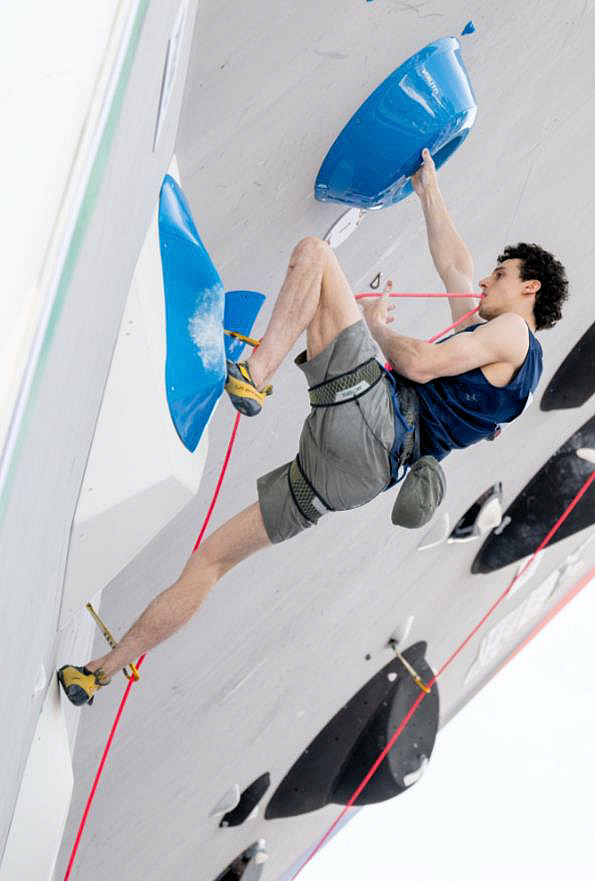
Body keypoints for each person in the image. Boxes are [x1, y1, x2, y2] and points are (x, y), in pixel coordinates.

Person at [58, 149, 568, 706]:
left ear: (530, 289)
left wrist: (377, 330)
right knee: (211, 561)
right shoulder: (505, 368)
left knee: (316, 256)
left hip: (374, 422)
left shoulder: (516, 334)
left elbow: (419, 363)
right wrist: (430, 193)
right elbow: (456, 269)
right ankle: (99, 672)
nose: (488, 281)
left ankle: (254, 375)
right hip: (357, 478)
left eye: (503, 274)